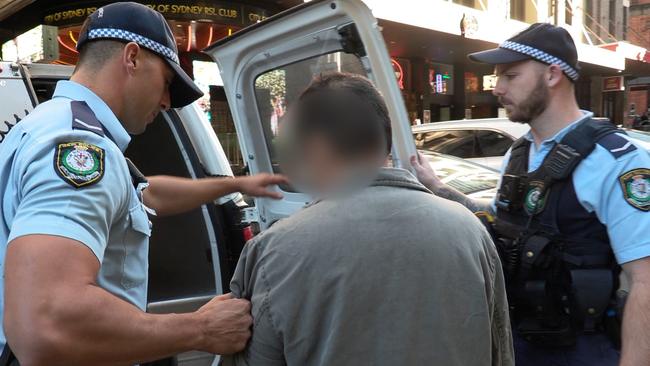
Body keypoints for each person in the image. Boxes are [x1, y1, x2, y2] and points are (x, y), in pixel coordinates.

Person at [0, 3, 288, 365]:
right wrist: (200, 329)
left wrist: (236, 184)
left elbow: (145, 193)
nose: (167, 102)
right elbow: (45, 322)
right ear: (132, 58)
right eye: (167, 83)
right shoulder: (80, 148)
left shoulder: (49, 124)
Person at [222, 72, 514, 366]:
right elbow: (500, 350)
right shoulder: (470, 230)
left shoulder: (274, 250)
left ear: (314, 145)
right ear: (386, 143)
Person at [411, 23, 650, 366]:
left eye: (510, 75)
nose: (498, 88)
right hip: (516, 343)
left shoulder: (617, 161)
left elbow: (646, 282)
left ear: (552, 75)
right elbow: (500, 224)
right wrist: (438, 188)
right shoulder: (520, 153)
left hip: (582, 351)